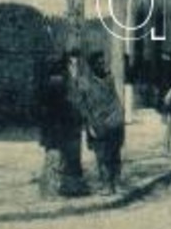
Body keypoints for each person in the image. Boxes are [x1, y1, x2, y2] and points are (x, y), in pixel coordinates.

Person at [37, 54, 87, 197]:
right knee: (55, 161)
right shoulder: (57, 84)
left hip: (56, 129)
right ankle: (50, 192)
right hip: (57, 130)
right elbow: (61, 107)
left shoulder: (49, 83)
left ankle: (56, 190)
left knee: (55, 160)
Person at [77, 49, 126, 195]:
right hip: (97, 123)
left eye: (103, 62)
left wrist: (119, 115)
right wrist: (89, 124)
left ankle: (115, 183)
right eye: (98, 63)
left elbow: (115, 99)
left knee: (114, 154)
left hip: (114, 122)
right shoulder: (84, 82)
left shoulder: (109, 79)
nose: (102, 65)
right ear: (92, 65)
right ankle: (106, 185)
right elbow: (82, 105)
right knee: (101, 156)